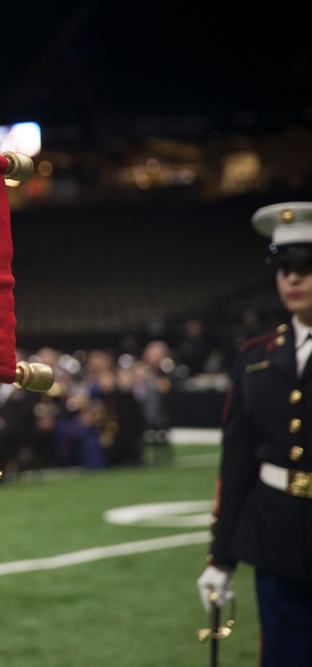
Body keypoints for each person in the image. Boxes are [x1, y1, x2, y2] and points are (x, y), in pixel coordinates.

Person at [198, 201, 312, 666]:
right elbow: (238, 462)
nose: (293, 278)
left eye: (306, 266)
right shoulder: (255, 358)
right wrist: (220, 558)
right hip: (277, 535)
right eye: (285, 268)